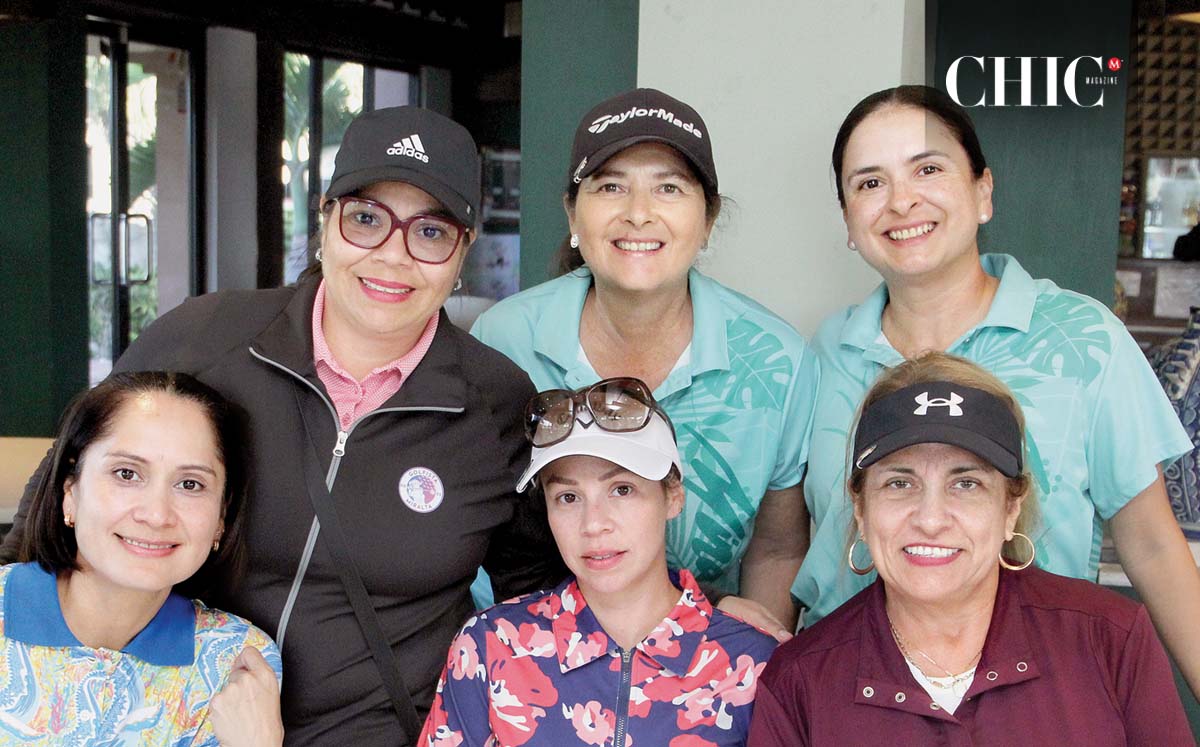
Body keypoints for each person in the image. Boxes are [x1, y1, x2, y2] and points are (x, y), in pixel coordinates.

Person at [1, 106, 565, 746]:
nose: (393, 255)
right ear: (325, 221)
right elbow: (59, 497)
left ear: (463, 251)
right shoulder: (206, 336)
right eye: (365, 219)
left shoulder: (495, 400)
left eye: (430, 232)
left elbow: (536, 593)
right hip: (184, 725)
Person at [791, 84, 1200, 695]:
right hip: (849, 697)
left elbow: (1152, 547)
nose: (901, 200)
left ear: (983, 192)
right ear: (848, 219)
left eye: (928, 169)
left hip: (1042, 699)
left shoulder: (1081, 340)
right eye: (869, 183)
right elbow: (794, 540)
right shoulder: (825, 354)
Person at [473, 88, 818, 638]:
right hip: (528, 655)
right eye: (611, 186)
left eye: (669, 187)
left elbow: (777, 548)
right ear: (573, 213)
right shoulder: (503, 340)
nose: (638, 213)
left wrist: (748, 656)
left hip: (700, 662)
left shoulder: (777, 360)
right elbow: (475, 530)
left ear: (707, 220)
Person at [750, 353, 1192, 744]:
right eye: (900, 483)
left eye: (966, 483)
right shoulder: (799, 681)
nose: (930, 518)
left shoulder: (1109, 637)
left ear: (1010, 509)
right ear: (862, 510)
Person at [420, 377, 777, 746]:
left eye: (622, 490)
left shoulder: (754, 663)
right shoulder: (490, 645)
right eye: (568, 497)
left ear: (672, 496)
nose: (593, 524)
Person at [2, 371, 283, 746]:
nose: (156, 514)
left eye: (190, 484)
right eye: (126, 473)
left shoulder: (235, 660)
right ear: (70, 493)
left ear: (221, 518)